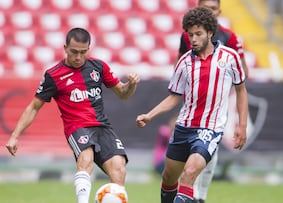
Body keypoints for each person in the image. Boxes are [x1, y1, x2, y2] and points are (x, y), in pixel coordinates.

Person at [5, 27, 140, 203]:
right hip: (77, 127)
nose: (78, 57)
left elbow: (123, 93)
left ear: (89, 49)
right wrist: (15, 136)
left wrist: (131, 85)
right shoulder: (53, 75)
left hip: (102, 126)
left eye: (83, 52)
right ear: (65, 48)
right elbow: (33, 107)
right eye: (74, 52)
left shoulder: (98, 67)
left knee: (119, 170)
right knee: (86, 158)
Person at [136, 6, 248, 203]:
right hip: (183, 128)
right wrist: (149, 115)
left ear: (210, 32)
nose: (193, 39)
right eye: (190, 35)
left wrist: (242, 125)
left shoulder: (229, 58)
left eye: (198, 34)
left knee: (188, 174)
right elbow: (173, 96)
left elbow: (241, 90)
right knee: (169, 178)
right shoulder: (184, 63)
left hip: (210, 129)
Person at [178, 1, 249, 202]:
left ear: (219, 11)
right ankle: (190, 192)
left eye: (213, 8)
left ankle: (200, 196)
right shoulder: (187, 36)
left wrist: (241, 123)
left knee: (209, 147)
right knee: (188, 154)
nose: (210, 11)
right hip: (191, 105)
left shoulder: (230, 38)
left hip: (217, 106)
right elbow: (179, 67)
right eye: (205, 7)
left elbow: (243, 75)